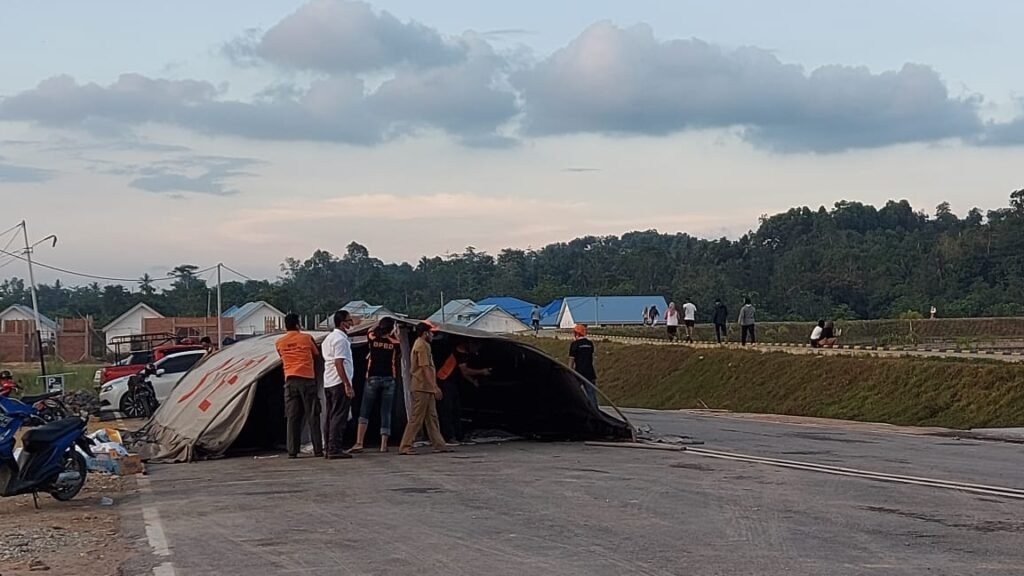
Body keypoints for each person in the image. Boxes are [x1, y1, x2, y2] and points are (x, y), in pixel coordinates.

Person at [275, 312, 323, 459]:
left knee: (292, 417)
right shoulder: (307, 338)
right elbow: (317, 355)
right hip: (307, 380)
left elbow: (282, 357)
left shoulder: (279, 342)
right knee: (313, 415)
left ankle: (292, 451)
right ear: (298, 324)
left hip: (290, 381)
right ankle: (318, 450)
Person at [399, 322, 451, 455]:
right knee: (417, 417)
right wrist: (434, 386)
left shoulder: (424, 345)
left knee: (432, 417)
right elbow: (425, 367)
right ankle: (405, 445)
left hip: (426, 388)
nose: (432, 335)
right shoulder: (421, 345)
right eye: (431, 332)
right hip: (422, 386)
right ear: (425, 333)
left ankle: (439, 444)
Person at [351, 317, 400, 454]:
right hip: (389, 379)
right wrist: (394, 332)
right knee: (386, 412)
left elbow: (370, 330)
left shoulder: (372, 338)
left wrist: (377, 323)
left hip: (372, 377)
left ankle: (359, 442)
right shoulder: (395, 343)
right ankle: (383, 445)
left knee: (365, 410)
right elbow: (398, 341)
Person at [437, 339, 492, 444]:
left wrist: (473, 381)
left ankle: (458, 435)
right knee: (447, 410)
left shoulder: (464, 353)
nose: (476, 351)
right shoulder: (459, 353)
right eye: (476, 347)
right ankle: (449, 436)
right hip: (444, 381)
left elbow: (465, 374)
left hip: (452, 383)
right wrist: (482, 371)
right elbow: (465, 371)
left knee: (456, 410)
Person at [321, 310, 356, 459]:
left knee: (330, 415)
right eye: (349, 321)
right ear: (342, 323)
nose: (351, 323)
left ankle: (329, 447)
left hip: (329, 381)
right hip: (338, 381)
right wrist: (347, 384)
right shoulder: (341, 340)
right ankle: (334, 448)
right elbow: (339, 363)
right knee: (339, 416)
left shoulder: (328, 338)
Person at [568, 324, 598, 407]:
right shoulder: (590, 344)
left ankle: (573, 409)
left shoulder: (575, 344)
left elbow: (571, 360)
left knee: (573, 392)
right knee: (591, 395)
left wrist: (569, 372)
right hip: (590, 373)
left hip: (579, 373)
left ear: (576, 334)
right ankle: (595, 413)